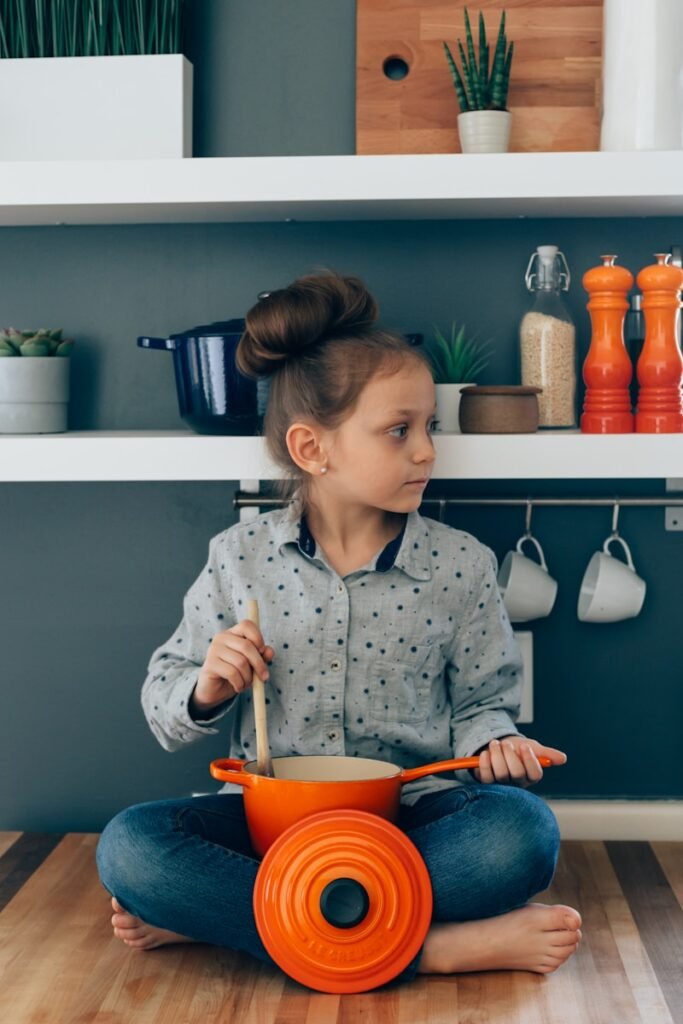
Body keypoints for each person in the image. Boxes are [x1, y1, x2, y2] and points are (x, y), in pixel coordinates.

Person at [97, 271, 581, 980]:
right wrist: (207, 686)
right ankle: (427, 949)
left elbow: (483, 705)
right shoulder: (238, 558)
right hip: (271, 830)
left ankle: (241, 924)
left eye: (429, 427)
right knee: (130, 847)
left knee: (521, 835)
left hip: (407, 824)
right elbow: (164, 708)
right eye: (399, 431)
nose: (427, 450)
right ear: (311, 449)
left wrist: (496, 742)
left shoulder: (462, 565)